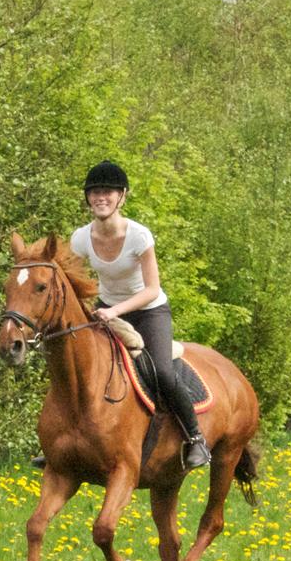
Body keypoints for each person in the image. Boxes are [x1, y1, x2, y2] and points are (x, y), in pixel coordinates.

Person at [70, 159, 211, 470]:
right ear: (88, 198)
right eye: (94, 192)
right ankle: (65, 444)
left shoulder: (139, 236)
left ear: (122, 196)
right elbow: (74, 283)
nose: (100, 197)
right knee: (78, 365)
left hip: (148, 311)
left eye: (108, 192)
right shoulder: (79, 239)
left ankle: (195, 438)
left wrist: (114, 311)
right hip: (106, 309)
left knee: (161, 372)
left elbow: (151, 289)